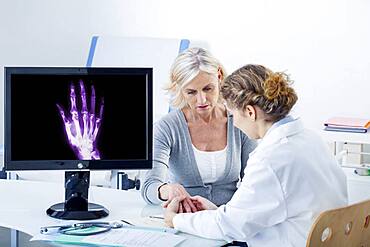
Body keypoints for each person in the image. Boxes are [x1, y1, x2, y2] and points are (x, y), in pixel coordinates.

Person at [164, 64, 348, 246]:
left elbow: (229, 228)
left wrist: (175, 220)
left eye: (233, 114)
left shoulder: (270, 159)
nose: (233, 123)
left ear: (250, 112)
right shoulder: (312, 139)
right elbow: (265, 211)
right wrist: (219, 211)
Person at [141, 48, 257, 212]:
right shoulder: (167, 128)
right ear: (180, 89)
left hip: (231, 220)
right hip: (186, 221)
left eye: (208, 89)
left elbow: (254, 182)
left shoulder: (240, 121)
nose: (201, 100)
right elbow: (149, 187)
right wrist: (166, 190)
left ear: (219, 76)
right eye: (191, 92)